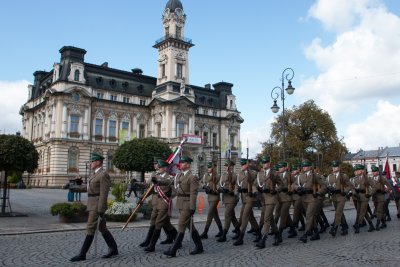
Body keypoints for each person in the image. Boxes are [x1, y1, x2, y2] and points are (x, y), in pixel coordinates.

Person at [70, 153, 118, 262]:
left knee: (90, 227)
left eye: (92, 161)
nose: (91, 163)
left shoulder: (103, 174)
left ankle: (82, 254)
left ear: (98, 162)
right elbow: (89, 189)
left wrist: (101, 209)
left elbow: (104, 193)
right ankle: (114, 248)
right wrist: (75, 188)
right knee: (102, 227)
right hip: (92, 203)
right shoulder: (94, 174)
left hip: (97, 205)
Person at [164, 156, 203, 257]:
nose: (180, 164)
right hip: (180, 203)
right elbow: (169, 182)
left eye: (183, 162)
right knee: (191, 227)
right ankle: (199, 247)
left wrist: (192, 207)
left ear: (188, 165)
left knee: (181, 225)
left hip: (187, 204)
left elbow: (193, 193)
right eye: (180, 162)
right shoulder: (179, 175)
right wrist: (157, 181)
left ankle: (173, 250)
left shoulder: (192, 177)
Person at [139, 159, 177, 248]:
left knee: (159, 222)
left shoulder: (170, 178)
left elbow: (175, 192)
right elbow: (150, 188)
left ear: (165, 168)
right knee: (158, 221)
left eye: (160, 167)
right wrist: (141, 194)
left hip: (164, 201)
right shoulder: (155, 176)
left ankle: (152, 244)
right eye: (158, 167)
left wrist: (169, 197)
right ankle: (176, 236)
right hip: (156, 202)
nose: (158, 168)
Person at [294, 160, 326, 243]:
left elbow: (324, 185)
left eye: (306, 166)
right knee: (311, 216)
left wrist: (318, 193)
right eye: (303, 166)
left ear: (309, 167)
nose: (304, 168)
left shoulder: (314, 175)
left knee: (309, 215)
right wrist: (297, 188)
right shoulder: (300, 176)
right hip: (304, 198)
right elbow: (293, 184)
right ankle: (316, 233)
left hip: (312, 198)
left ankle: (305, 234)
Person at [232, 158, 261, 246]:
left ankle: (241, 237)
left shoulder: (253, 173)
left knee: (245, 216)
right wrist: (236, 192)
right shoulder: (240, 173)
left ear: (247, 165)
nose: (242, 166)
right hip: (243, 197)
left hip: (250, 197)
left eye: (244, 165)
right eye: (241, 165)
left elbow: (255, 184)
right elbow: (237, 184)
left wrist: (254, 191)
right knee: (250, 216)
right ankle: (258, 232)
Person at [255, 156, 281, 248]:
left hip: (271, 198)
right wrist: (257, 189)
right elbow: (256, 184)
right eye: (263, 163)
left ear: (269, 163)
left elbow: (281, 184)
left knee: (266, 218)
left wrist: (276, 190)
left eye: (266, 162)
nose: (264, 164)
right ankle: (278, 234)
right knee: (270, 219)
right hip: (263, 198)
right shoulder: (260, 174)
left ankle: (263, 240)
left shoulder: (274, 173)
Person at [326, 160, 353, 237]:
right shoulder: (329, 176)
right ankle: (344, 227)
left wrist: (345, 191)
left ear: (339, 167)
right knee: (340, 213)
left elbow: (350, 185)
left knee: (338, 212)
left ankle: (334, 228)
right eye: (333, 167)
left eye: (336, 167)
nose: (334, 168)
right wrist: (329, 189)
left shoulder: (344, 176)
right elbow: (326, 185)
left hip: (341, 196)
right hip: (334, 197)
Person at [216, 160, 240, 242]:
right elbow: (218, 184)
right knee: (232, 216)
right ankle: (239, 231)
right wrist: (220, 189)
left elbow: (237, 185)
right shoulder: (223, 175)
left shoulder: (235, 175)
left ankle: (224, 234)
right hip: (225, 198)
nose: (227, 168)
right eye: (226, 166)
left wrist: (234, 192)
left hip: (232, 198)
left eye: (229, 166)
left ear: (232, 167)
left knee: (227, 215)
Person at [199, 162, 223, 239]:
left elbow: (219, 184)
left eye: (210, 168)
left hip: (215, 196)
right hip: (209, 196)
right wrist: (204, 187)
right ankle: (221, 230)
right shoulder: (205, 175)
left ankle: (205, 232)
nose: (208, 169)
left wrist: (215, 190)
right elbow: (201, 182)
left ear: (213, 168)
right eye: (208, 168)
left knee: (210, 214)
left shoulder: (217, 175)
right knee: (215, 215)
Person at [351, 164, 375, 233]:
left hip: (365, 197)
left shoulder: (367, 178)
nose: (356, 171)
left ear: (362, 171)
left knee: (362, 212)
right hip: (358, 197)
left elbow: (374, 187)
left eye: (358, 170)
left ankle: (358, 226)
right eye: (356, 170)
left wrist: (369, 194)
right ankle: (371, 225)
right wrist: (354, 192)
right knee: (362, 212)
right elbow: (352, 187)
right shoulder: (355, 178)